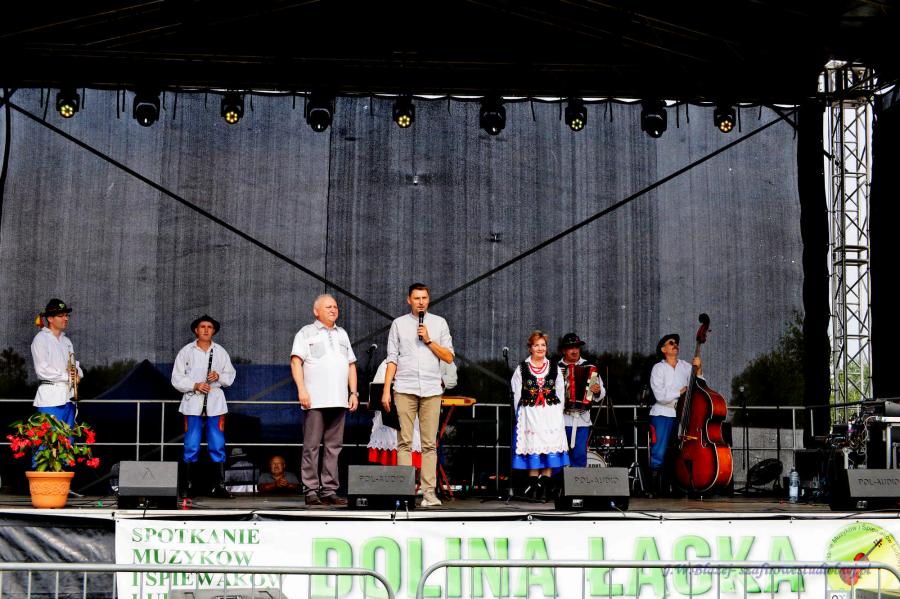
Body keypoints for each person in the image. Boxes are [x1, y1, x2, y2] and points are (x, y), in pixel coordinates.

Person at [381, 283, 454, 508]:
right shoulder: (399, 324)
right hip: (404, 388)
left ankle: (429, 493)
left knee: (429, 444)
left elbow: (449, 357)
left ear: (428, 299)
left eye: (424, 298)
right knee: (404, 442)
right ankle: (404, 493)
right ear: (409, 300)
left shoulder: (439, 323)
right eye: (416, 298)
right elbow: (392, 358)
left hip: (431, 389)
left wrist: (429, 340)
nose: (421, 302)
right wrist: (386, 389)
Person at [291, 294, 358, 507]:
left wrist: (353, 393)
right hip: (315, 400)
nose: (333, 309)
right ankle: (311, 490)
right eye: (328, 307)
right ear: (316, 311)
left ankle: (329, 490)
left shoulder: (342, 333)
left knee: (334, 447)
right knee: (311, 446)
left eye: (335, 306)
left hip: (339, 400)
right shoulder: (306, 332)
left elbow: (351, 365)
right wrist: (302, 390)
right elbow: (296, 362)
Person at [171, 314, 236, 499]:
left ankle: (219, 486)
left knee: (217, 444)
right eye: (202, 327)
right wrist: (195, 385)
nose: (206, 330)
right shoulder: (186, 351)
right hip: (193, 403)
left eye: (209, 327)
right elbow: (176, 378)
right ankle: (188, 485)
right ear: (196, 330)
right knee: (191, 444)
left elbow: (230, 375)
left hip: (215, 403)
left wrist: (219, 377)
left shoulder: (221, 352)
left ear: (213, 331)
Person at [511, 330, 569, 500]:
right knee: (533, 447)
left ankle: (545, 485)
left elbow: (560, 392)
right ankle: (533, 487)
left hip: (550, 414)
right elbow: (516, 394)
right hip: (531, 414)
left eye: (543, 345)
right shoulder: (522, 368)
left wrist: (558, 413)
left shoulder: (554, 367)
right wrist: (519, 415)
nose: (540, 348)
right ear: (530, 348)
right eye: (536, 345)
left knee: (550, 446)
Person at [648, 333, 703, 497]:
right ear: (663, 349)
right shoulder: (658, 368)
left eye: (676, 343)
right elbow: (660, 395)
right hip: (662, 413)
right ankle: (654, 489)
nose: (675, 345)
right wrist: (679, 392)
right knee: (659, 451)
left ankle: (678, 486)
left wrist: (698, 369)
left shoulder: (686, 366)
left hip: (683, 414)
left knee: (679, 451)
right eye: (671, 343)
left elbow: (699, 386)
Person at [31, 298, 82, 429]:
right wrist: (69, 377)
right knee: (49, 439)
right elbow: (42, 369)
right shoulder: (40, 339)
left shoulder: (67, 341)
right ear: (50, 318)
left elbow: (74, 364)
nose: (66, 318)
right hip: (50, 400)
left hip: (69, 398)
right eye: (61, 316)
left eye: (66, 315)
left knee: (68, 439)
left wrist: (77, 374)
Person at [557, 332, 605, 468]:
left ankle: (576, 482)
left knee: (579, 457)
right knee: (559, 456)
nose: (574, 351)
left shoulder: (590, 367)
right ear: (564, 350)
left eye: (577, 347)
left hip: (582, 419)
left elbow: (601, 393)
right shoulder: (556, 368)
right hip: (561, 419)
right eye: (571, 347)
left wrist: (597, 391)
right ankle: (558, 482)